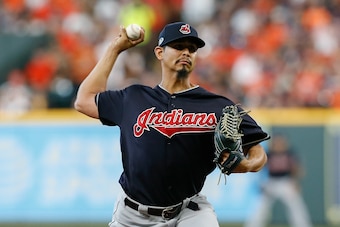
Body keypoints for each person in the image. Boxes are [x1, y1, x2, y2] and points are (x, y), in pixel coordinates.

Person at [74, 21, 270, 227]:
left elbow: (258, 151)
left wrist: (248, 164)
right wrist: (115, 48)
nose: (186, 52)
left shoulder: (217, 105)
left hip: (189, 211)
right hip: (132, 216)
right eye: (178, 47)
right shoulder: (133, 98)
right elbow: (84, 100)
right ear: (159, 52)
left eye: (192, 49)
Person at [244, 134, 312, 227]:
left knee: (296, 207)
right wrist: (261, 183)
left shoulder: (289, 153)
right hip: (271, 182)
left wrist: (295, 182)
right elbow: (259, 169)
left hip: (286, 182)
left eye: (280, 142)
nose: (278, 144)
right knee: (260, 207)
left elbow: (297, 168)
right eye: (276, 142)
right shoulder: (268, 154)